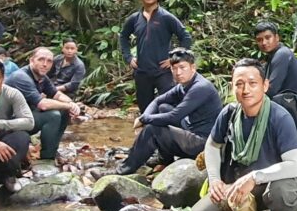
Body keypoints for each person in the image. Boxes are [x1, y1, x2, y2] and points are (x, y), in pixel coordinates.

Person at [190, 58, 297, 211]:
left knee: (283, 193)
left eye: (252, 83)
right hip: (236, 185)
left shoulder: (280, 117)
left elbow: (295, 165)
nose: (245, 90)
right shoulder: (229, 114)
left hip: (269, 183)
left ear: (265, 85)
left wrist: (254, 177)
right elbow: (212, 146)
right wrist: (215, 179)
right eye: (239, 84)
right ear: (232, 87)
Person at [93, 48, 222, 177]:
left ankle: (122, 170)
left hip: (203, 144)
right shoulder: (183, 85)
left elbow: (174, 117)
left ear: (192, 68)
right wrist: (144, 116)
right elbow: (158, 101)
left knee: (153, 129)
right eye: (174, 68)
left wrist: (145, 120)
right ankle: (165, 159)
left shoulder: (200, 87)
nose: (178, 72)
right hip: (191, 129)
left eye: (182, 68)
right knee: (164, 107)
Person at [120, 0, 192, 113]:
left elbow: (185, 37)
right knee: (145, 110)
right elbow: (123, 37)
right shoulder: (135, 18)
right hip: (142, 71)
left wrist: (175, 59)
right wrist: (128, 57)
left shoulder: (166, 17)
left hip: (163, 72)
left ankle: (169, 133)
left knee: (168, 107)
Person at [6, 47, 81, 162]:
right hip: (10, 123)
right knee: (53, 115)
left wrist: (71, 103)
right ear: (31, 60)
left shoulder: (42, 77)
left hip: (26, 117)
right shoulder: (21, 77)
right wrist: (69, 105)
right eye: (41, 59)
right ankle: (47, 159)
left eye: (49, 61)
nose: (45, 64)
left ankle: (52, 150)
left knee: (64, 111)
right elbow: (43, 104)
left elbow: (56, 94)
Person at [0, 55, 34, 193]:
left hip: (3, 138)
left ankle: (8, 175)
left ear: (3, 78)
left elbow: (29, 122)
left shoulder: (12, 94)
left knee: (21, 137)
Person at [254, 21, 297, 102]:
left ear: (277, 38)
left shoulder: (282, 54)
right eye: (259, 40)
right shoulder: (272, 56)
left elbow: (271, 90)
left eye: (268, 38)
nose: (264, 43)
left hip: (293, 107)